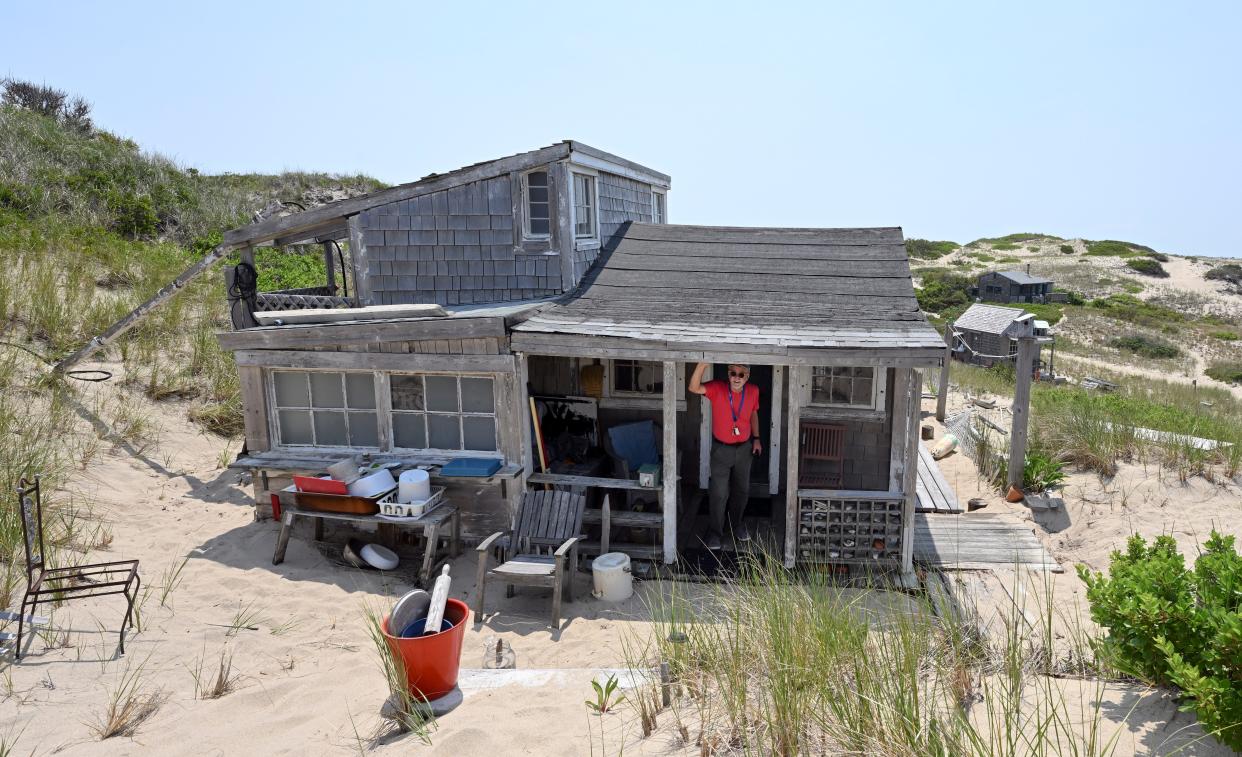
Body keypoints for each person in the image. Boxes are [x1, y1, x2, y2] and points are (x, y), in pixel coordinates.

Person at [689, 362, 761, 550]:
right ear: (728, 374)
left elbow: (754, 413)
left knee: (742, 490)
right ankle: (715, 532)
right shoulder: (717, 388)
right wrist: (702, 365)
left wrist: (757, 438)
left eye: (741, 374)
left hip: (744, 449)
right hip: (721, 450)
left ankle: (736, 525)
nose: (736, 377)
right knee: (719, 493)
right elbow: (693, 387)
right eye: (733, 373)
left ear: (747, 376)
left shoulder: (753, 391)